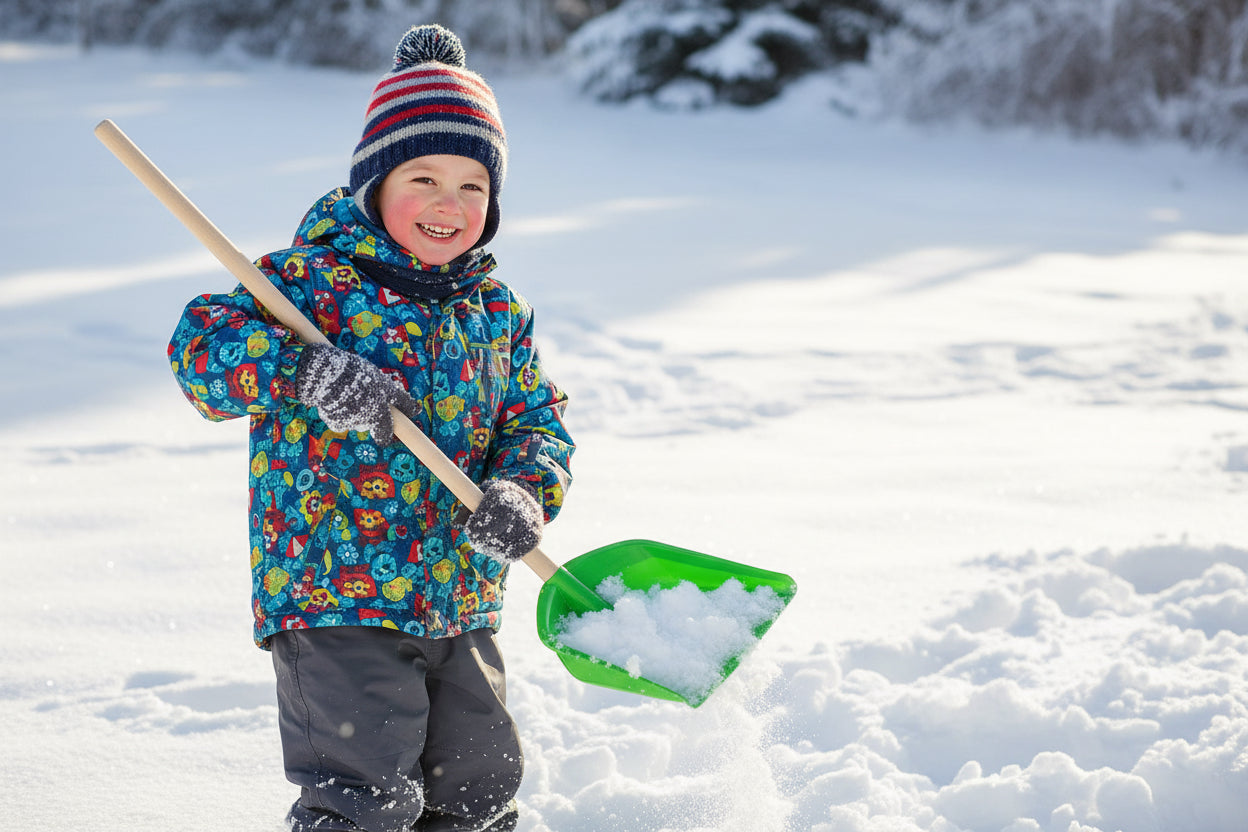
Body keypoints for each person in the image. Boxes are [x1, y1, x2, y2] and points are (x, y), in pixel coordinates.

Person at [167, 23, 574, 832]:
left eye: (472, 186)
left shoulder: (495, 311)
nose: (447, 204)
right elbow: (199, 353)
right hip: (334, 597)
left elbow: (538, 419)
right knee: (365, 801)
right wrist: (304, 372)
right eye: (422, 177)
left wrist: (523, 491)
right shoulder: (307, 282)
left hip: (459, 597)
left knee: (481, 793)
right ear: (373, 185)